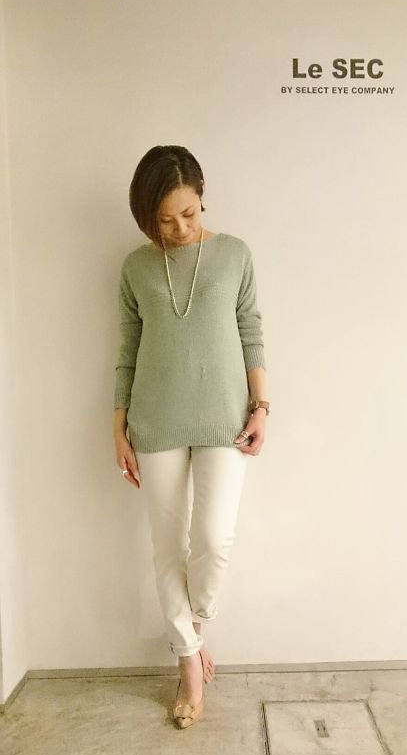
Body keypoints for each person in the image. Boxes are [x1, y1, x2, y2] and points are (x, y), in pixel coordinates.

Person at [112, 145, 269, 728]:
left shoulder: (234, 255)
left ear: (203, 197)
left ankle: (194, 633)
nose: (180, 228)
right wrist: (118, 426)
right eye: (165, 219)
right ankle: (188, 664)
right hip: (154, 422)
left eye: (189, 213)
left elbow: (251, 332)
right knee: (166, 547)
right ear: (145, 216)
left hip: (225, 420)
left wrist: (261, 407)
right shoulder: (135, 268)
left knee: (213, 540)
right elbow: (128, 350)